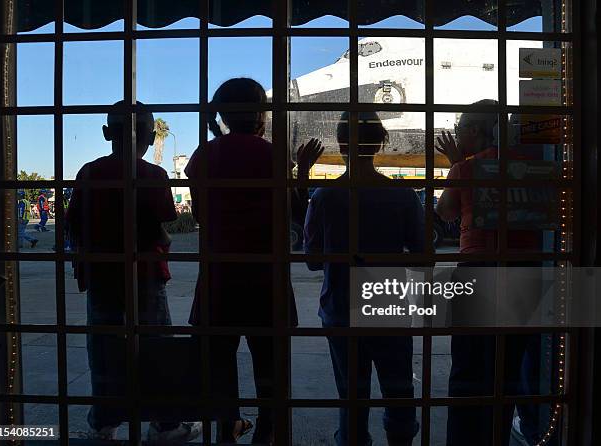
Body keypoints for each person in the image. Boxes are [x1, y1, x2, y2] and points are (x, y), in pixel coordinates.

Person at [185, 77, 323, 444]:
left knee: (221, 362)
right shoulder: (273, 155)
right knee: (268, 362)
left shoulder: (204, 156)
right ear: (261, 112)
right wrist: (303, 172)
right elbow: (294, 213)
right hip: (265, 278)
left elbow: (200, 216)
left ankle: (227, 427)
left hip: (219, 277)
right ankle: (267, 428)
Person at [66, 101, 201, 443]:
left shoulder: (88, 172)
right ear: (149, 134)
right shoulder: (153, 175)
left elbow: (74, 225)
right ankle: (166, 422)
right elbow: (160, 228)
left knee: (104, 349)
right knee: (157, 348)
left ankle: (104, 421)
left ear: (107, 133)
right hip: (145, 276)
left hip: (101, 276)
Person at [304, 112, 423, 446]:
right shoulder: (403, 195)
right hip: (387, 302)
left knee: (352, 394)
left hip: (340, 307)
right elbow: (422, 254)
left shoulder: (324, 197)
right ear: (380, 142)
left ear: (341, 144)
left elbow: (313, 260)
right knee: (399, 389)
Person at [436, 100, 542, 446]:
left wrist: (456, 167)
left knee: (467, 370)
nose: (456, 134)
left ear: (476, 131)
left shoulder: (466, 169)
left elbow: (446, 213)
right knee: (506, 370)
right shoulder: (533, 165)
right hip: (525, 272)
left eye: (460, 127)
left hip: (477, 271)